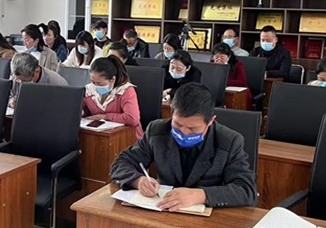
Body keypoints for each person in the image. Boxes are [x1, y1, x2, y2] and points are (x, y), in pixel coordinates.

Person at [110, 82, 257, 210]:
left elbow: (246, 190)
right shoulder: (157, 131)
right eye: (178, 125)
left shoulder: (229, 141)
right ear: (172, 113)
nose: (184, 132)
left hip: (207, 219)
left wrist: (201, 195)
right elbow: (121, 163)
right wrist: (138, 180)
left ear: (211, 121)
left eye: (193, 129)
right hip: (163, 210)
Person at [83, 56, 143, 139]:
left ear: (112, 80)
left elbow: (132, 119)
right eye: (93, 82)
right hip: (99, 136)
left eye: (99, 83)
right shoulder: (89, 90)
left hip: (127, 138)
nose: (95, 86)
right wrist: (81, 112)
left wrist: (104, 117)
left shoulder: (125, 90)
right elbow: (85, 108)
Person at [211, 42, 251, 109]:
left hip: (238, 94)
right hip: (217, 92)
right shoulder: (210, 65)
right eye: (217, 57)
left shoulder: (237, 65)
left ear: (228, 57)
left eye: (222, 57)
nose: (219, 59)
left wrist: (223, 81)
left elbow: (242, 82)